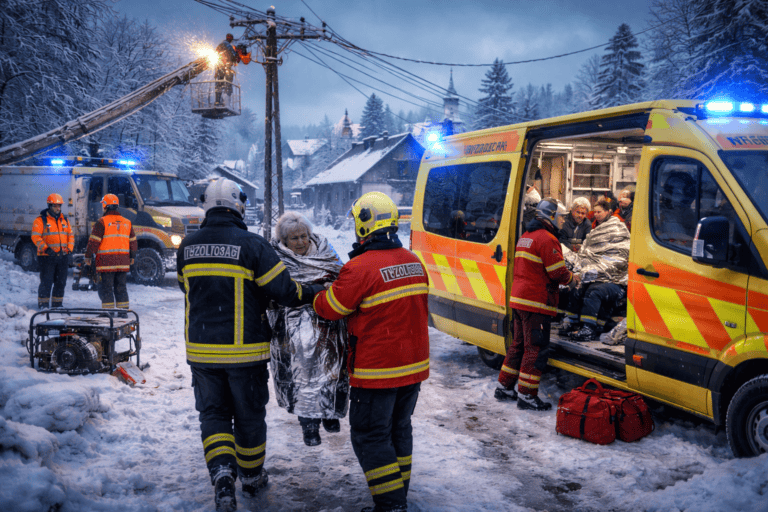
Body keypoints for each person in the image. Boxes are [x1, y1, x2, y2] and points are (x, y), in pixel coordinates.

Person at [176, 179, 323, 512]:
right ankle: (253, 477)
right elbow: (284, 291)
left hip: (201, 351)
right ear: (237, 205)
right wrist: (315, 293)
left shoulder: (187, 246)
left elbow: (186, 288)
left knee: (212, 415)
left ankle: (223, 474)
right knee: (248, 417)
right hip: (245, 353)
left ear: (207, 205)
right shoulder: (252, 245)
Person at [313, 191, 429, 512]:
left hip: (377, 374)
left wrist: (317, 294)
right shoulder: (414, 262)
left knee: (370, 436)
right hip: (412, 370)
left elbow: (331, 309)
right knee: (398, 430)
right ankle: (398, 496)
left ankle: (391, 505)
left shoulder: (360, 268)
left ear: (366, 225)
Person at [268, 211, 349, 447]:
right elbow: (278, 290)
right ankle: (309, 425)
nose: (302, 242)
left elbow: (342, 278)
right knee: (301, 375)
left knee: (332, 369)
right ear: (284, 241)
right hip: (294, 326)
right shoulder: (276, 258)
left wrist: (324, 288)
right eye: (295, 238)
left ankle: (330, 413)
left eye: (304, 236)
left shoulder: (326, 251)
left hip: (328, 322)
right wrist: (316, 287)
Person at [495, 198, 578, 411]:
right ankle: (527, 395)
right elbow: (557, 272)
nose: (562, 220)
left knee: (518, 345)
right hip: (536, 303)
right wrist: (572, 279)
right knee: (535, 349)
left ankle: (504, 387)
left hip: (519, 300)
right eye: (560, 216)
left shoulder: (526, 236)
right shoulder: (547, 239)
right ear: (550, 216)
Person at [561, 199, 630, 341]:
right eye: (595, 212)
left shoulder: (617, 229)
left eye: (599, 212)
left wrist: (592, 270)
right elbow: (589, 253)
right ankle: (571, 323)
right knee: (578, 287)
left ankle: (589, 328)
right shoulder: (595, 230)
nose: (596, 215)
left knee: (595, 292)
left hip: (616, 280)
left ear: (608, 212)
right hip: (598, 276)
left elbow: (618, 259)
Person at [84, 194, 137, 311]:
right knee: (121, 287)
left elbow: (93, 242)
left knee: (106, 288)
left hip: (106, 263)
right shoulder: (127, 222)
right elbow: (133, 241)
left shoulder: (102, 222)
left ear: (105, 206)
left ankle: (108, 313)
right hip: (123, 262)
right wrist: (132, 256)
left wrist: (88, 257)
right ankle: (123, 312)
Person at [31, 193, 74, 309]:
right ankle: (43, 305)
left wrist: (69, 249)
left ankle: (57, 304)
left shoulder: (64, 220)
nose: (58, 208)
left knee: (61, 282)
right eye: (55, 206)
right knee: (47, 281)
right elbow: (35, 237)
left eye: (59, 206)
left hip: (62, 257)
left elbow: (70, 235)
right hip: (47, 257)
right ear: (49, 206)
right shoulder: (40, 220)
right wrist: (46, 248)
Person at [214, 34, 251, 106]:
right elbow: (235, 59)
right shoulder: (229, 47)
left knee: (219, 85)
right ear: (230, 39)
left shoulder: (220, 46)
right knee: (228, 85)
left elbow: (216, 52)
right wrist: (237, 55)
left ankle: (217, 101)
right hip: (227, 68)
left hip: (219, 68)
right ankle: (226, 103)